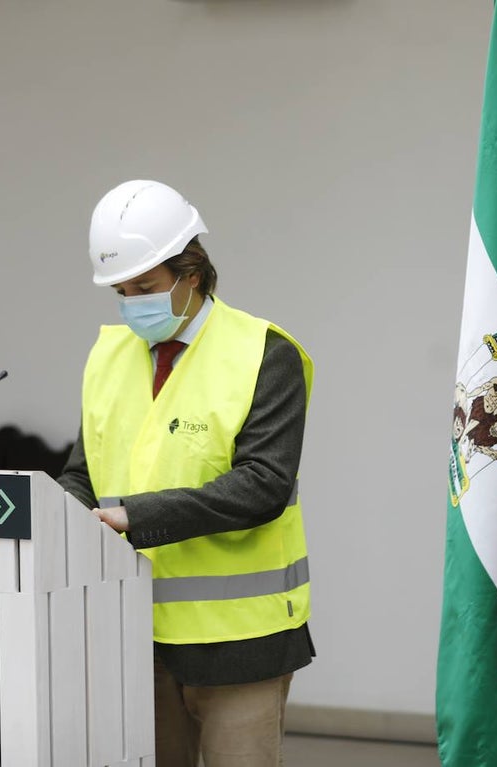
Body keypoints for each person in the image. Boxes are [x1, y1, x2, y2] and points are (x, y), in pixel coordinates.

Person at [57, 179, 314, 767]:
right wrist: (58, 510)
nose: (131, 303)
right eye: (121, 291)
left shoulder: (264, 353)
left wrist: (132, 517)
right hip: (132, 632)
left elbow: (263, 485)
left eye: (145, 287)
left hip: (240, 640)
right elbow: (82, 473)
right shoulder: (108, 357)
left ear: (191, 272)